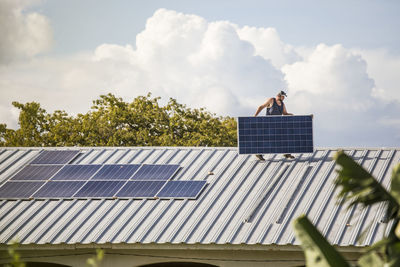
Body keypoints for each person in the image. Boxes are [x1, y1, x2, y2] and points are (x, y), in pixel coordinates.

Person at [254, 90, 294, 161]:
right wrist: (254, 116)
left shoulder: (282, 104)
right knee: (266, 139)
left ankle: (286, 152)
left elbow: (285, 113)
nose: (284, 98)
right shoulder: (271, 100)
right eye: (283, 97)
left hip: (277, 125)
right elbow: (261, 107)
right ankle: (259, 153)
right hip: (268, 124)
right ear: (280, 96)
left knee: (284, 137)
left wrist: (292, 115)